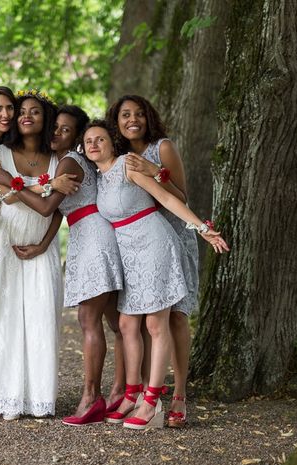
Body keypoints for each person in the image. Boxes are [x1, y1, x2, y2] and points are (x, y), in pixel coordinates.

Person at [0, 105, 127, 425]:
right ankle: (123, 392)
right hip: (89, 232)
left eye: (65, 130)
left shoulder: (70, 160)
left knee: (91, 321)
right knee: (117, 323)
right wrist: (46, 243)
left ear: (76, 136)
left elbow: (47, 206)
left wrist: (11, 181)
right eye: (56, 127)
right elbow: (60, 209)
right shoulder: (68, 162)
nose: (57, 133)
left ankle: (93, 397)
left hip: (93, 238)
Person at [83, 120, 228, 430]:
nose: (94, 144)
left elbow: (166, 198)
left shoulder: (127, 165)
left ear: (112, 142)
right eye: (89, 141)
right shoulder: (97, 177)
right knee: (126, 323)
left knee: (155, 323)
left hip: (154, 243)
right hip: (128, 253)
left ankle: (151, 402)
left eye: (100, 139)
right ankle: (132, 393)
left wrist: (202, 229)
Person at [106, 95, 198, 427]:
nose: (133, 120)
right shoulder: (118, 158)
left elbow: (182, 197)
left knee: (174, 318)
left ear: (148, 118)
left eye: (139, 114)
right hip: (138, 248)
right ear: (116, 122)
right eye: (125, 115)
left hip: (173, 237)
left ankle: (179, 396)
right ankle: (147, 392)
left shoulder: (163, 147)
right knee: (145, 322)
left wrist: (155, 171)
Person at [0, 90, 64, 419]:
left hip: (42, 249)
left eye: (35, 112)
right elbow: (0, 198)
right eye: (21, 110)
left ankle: (39, 398)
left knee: (42, 320)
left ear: (45, 120)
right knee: (4, 319)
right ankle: (7, 399)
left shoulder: (58, 159)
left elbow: (58, 210)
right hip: (4, 243)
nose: (26, 115)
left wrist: (43, 245)